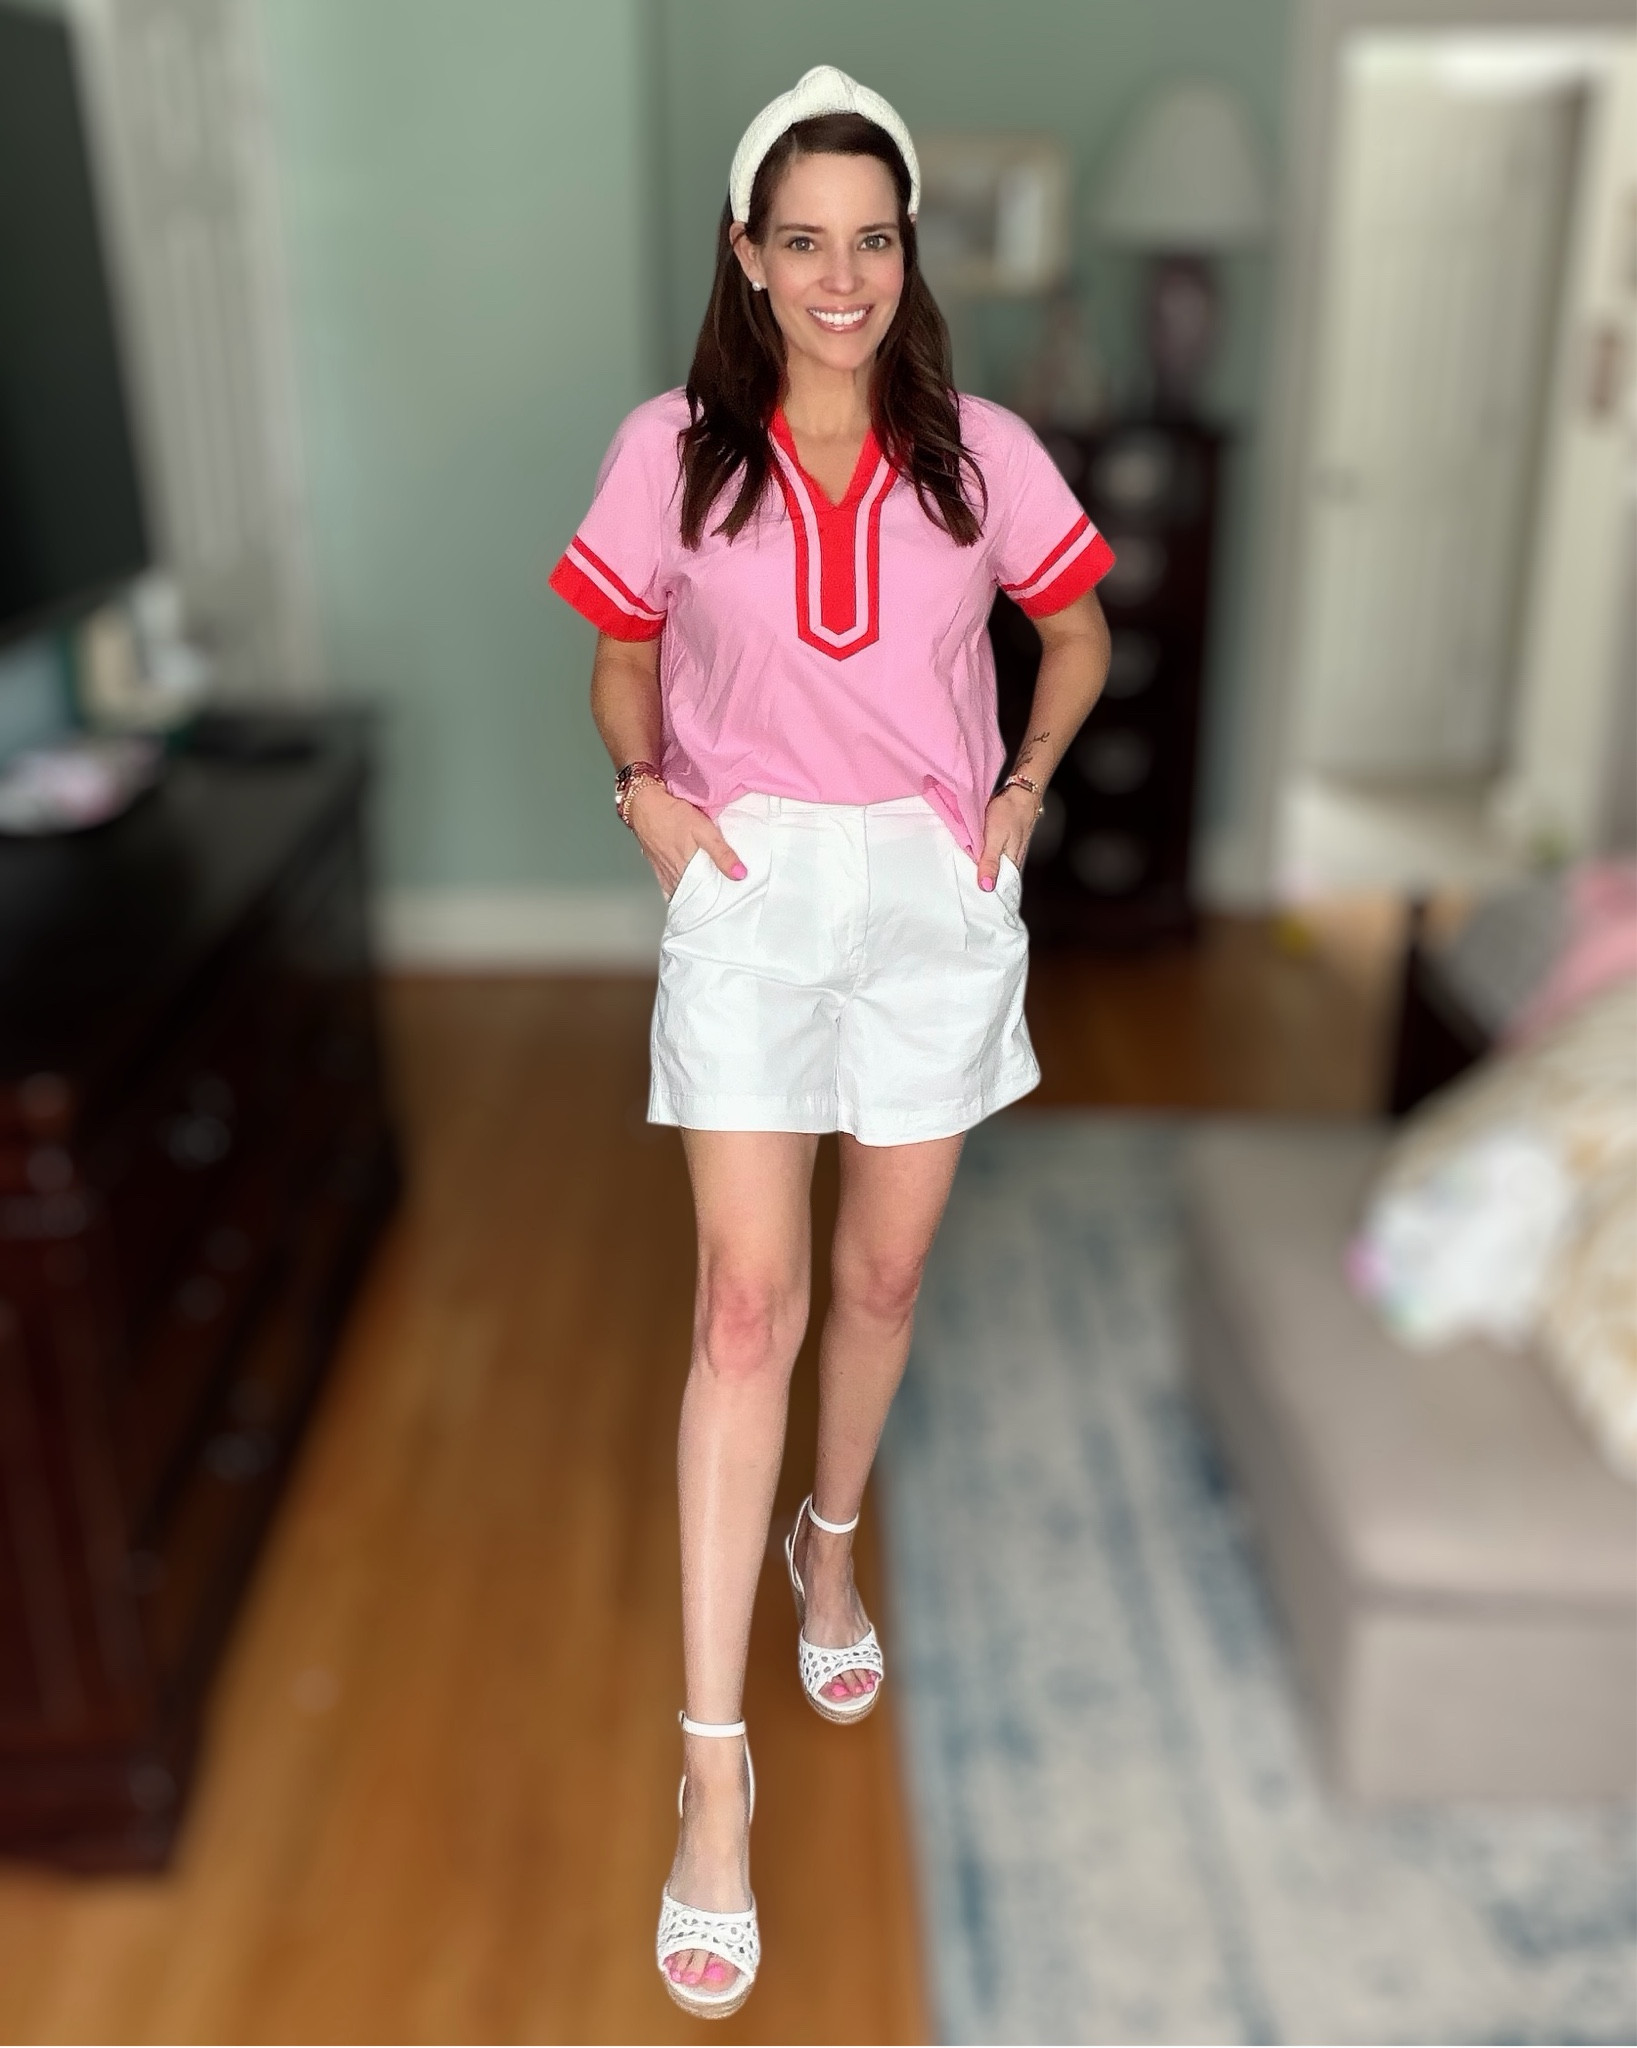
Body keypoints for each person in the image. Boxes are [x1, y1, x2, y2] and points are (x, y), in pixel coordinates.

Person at [550, 64, 1113, 2019]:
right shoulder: (673, 452)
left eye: (873, 237)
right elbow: (623, 651)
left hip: (935, 897)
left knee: (885, 1270)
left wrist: (1026, 784)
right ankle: (715, 1781)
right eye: (806, 238)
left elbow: (1079, 626)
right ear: (749, 253)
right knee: (744, 1309)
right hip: (752, 894)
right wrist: (644, 788)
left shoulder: (986, 454)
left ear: (903, 253)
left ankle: (831, 1542)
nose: (843, 273)